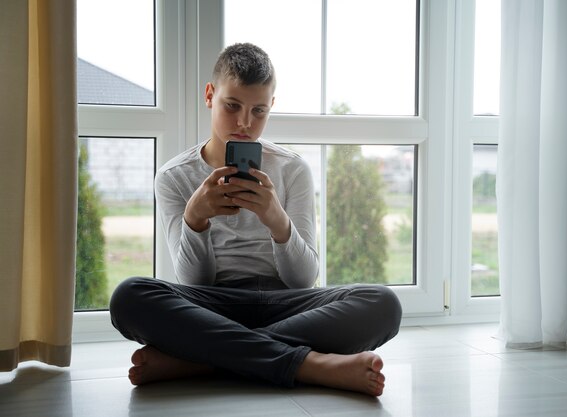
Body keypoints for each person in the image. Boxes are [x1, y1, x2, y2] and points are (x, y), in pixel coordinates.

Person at [109, 43, 402, 397]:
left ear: (271, 107)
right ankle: (313, 365)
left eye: (258, 111)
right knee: (129, 297)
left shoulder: (292, 169)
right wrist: (195, 218)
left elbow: (303, 279)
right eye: (232, 106)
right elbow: (194, 280)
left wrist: (276, 219)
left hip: (287, 305)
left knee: (382, 303)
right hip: (215, 307)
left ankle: (198, 361)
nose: (245, 123)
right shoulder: (174, 177)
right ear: (210, 95)